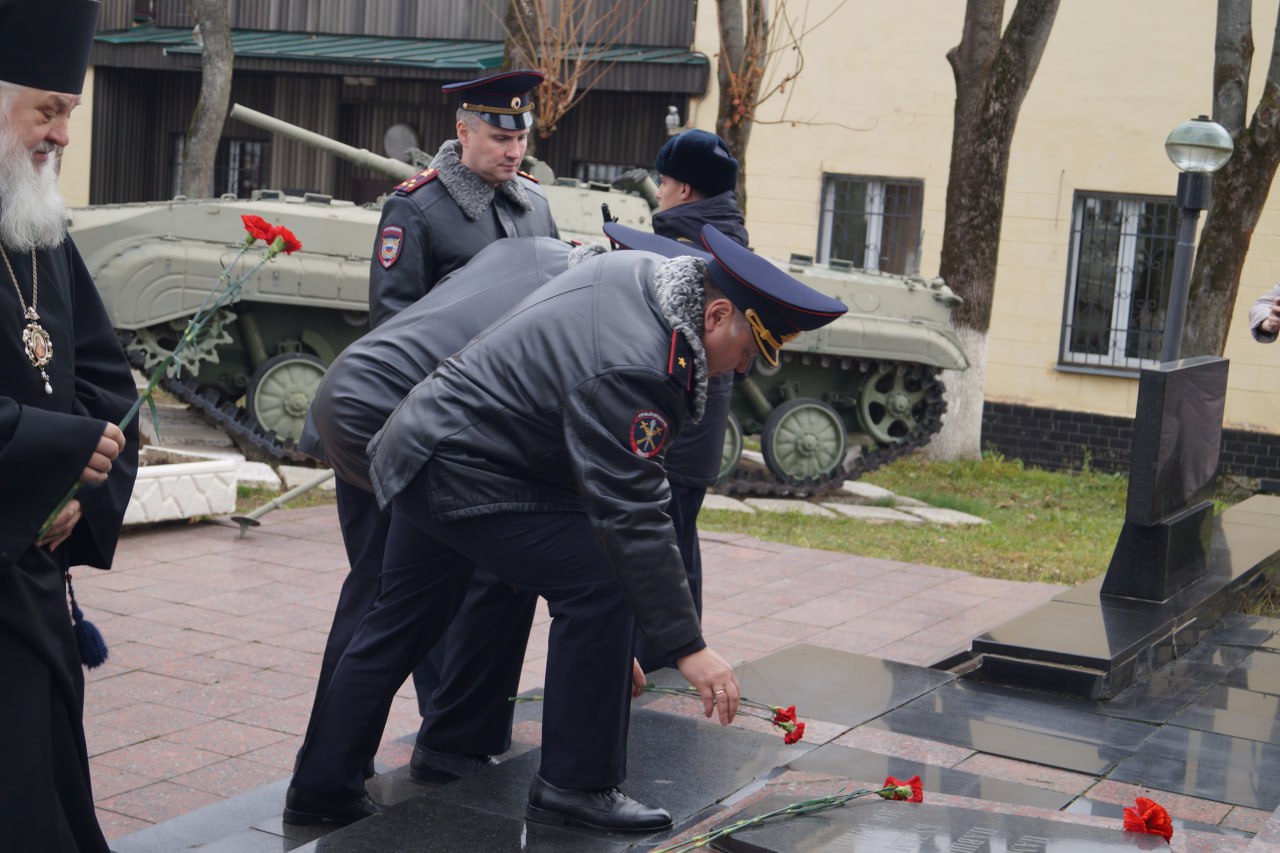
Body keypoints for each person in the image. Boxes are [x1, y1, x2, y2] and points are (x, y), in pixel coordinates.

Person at [285, 224, 847, 833]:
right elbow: (631, 512)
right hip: (463, 464)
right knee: (603, 577)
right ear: (714, 315)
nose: (744, 370)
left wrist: (602, 652)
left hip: (431, 447)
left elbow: (588, 467)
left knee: (400, 620)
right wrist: (689, 648)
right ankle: (576, 787)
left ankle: (322, 788)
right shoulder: (645, 364)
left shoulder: (640, 280)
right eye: (749, 350)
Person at [299, 69, 558, 789]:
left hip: (483, 442)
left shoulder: (535, 205)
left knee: (460, 592)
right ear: (464, 132)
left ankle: (452, 734)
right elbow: (395, 334)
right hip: (398, 436)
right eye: (500, 137)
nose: (513, 151)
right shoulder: (417, 210)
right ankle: (329, 762)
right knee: (380, 598)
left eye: (522, 137)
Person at [0, 1, 140, 850]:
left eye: (68, 116)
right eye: (46, 110)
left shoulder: (40, 226)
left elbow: (104, 375)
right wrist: (45, 469)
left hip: (36, 572)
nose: (59, 136)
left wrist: (80, 492)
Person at [636, 128, 748, 671]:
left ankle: (657, 661)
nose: (658, 191)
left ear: (682, 189)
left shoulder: (680, 245)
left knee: (659, 547)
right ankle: (678, 656)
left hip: (669, 430)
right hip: (697, 433)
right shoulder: (729, 238)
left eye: (663, 181)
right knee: (681, 541)